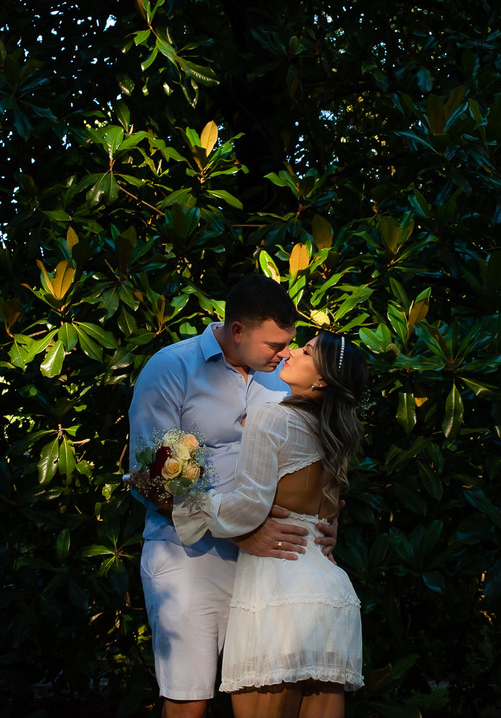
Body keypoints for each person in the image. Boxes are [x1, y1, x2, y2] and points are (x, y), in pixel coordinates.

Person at [129, 275, 338, 718]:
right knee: (189, 699)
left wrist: (325, 519)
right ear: (237, 330)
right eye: (273, 344)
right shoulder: (172, 368)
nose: (284, 354)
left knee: (275, 695)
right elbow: (152, 477)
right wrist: (244, 534)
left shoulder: (285, 379)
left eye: (289, 343)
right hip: (188, 556)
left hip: (270, 566)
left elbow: (319, 452)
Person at [172, 331, 367, 718]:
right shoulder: (333, 433)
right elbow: (328, 511)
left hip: (277, 594)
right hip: (330, 592)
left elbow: (245, 511)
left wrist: (184, 494)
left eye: (307, 350)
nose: (293, 351)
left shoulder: (273, 416)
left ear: (323, 378)